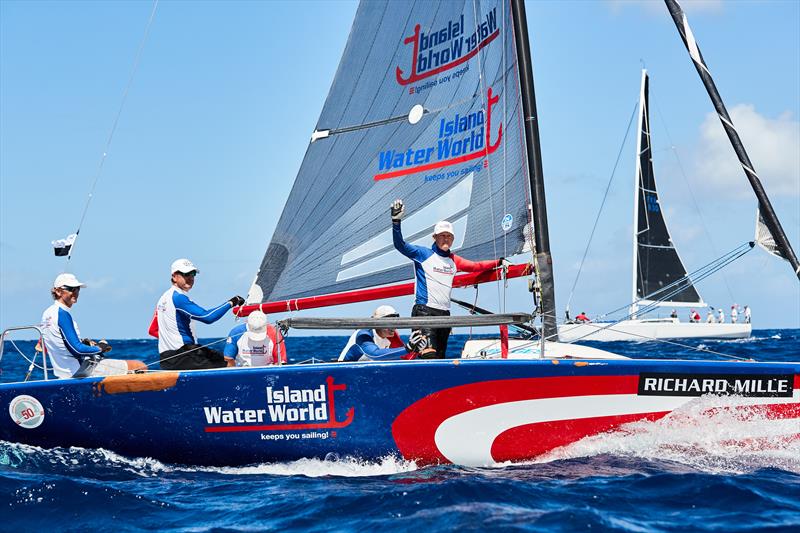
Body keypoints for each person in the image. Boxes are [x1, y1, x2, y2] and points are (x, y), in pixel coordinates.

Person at [390, 199, 504, 359]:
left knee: (441, 359)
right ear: (434, 237)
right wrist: (396, 221)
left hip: (444, 314)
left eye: (449, 236)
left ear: (453, 239)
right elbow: (400, 245)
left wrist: (499, 262)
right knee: (428, 356)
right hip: (424, 312)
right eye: (442, 236)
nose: (446, 239)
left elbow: (476, 266)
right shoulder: (423, 254)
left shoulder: (454, 260)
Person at [41, 273, 146, 378]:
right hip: (81, 370)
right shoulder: (62, 315)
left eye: (77, 289)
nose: (76, 293)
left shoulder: (47, 314)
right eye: (71, 289)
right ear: (58, 291)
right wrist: (100, 348)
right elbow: (78, 350)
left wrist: (87, 345)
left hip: (63, 373)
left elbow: (61, 343)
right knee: (139, 366)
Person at [155, 258, 244, 370]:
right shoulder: (178, 298)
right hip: (182, 356)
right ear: (174, 276)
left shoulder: (163, 298)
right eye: (186, 274)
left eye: (193, 274)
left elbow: (154, 329)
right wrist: (232, 302)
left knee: (226, 359)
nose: (190, 278)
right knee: (229, 363)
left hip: (166, 358)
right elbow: (207, 317)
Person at [338, 305, 428, 362]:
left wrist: (416, 350)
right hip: (344, 371)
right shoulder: (363, 334)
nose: (393, 327)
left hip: (365, 371)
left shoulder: (390, 335)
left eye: (396, 323)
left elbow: (403, 357)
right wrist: (408, 348)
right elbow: (375, 355)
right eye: (389, 323)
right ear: (377, 323)